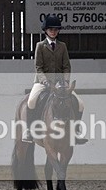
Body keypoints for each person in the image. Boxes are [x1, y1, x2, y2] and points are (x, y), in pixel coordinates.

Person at [21, 15, 86, 144]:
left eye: (56, 29)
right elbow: (38, 67)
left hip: (60, 83)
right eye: (51, 29)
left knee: (80, 103)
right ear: (46, 30)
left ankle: (76, 131)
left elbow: (66, 66)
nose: (53, 31)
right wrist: (45, 81)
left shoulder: (62, 46)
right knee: (31, 101)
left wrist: (66, 81)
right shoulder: (40, 46)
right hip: (42, 82)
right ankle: (29, 131)